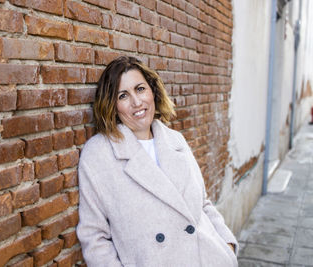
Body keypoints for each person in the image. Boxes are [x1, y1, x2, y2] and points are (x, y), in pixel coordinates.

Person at [76, 56, 238, 266]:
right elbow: (94, 238)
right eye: (123, 95)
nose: (136, 101)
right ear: (113, 105)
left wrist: (227, 245)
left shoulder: (175, 140)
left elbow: (203, 204)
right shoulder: (99, 154)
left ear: (153, 91)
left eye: (140, 89)